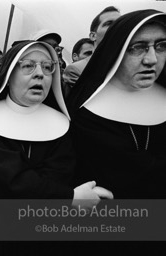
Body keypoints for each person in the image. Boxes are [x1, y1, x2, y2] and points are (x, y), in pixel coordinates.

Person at [0, 40, 113, 255]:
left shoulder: (63, 125)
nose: (39, 74)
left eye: (47, 67)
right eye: (28, 66)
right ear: (8, 73)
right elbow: (5, 180)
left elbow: (60, 172)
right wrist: (68, 198)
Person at [67, 9, 166, 254]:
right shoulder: (82, 113)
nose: (151, 59)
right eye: (138, 47)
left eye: (161, 46)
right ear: (116, 50)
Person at [63, 6, 121, 97]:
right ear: (93, 36)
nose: (116, 27)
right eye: (109, 23)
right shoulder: (76, 70)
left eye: (120, 23)